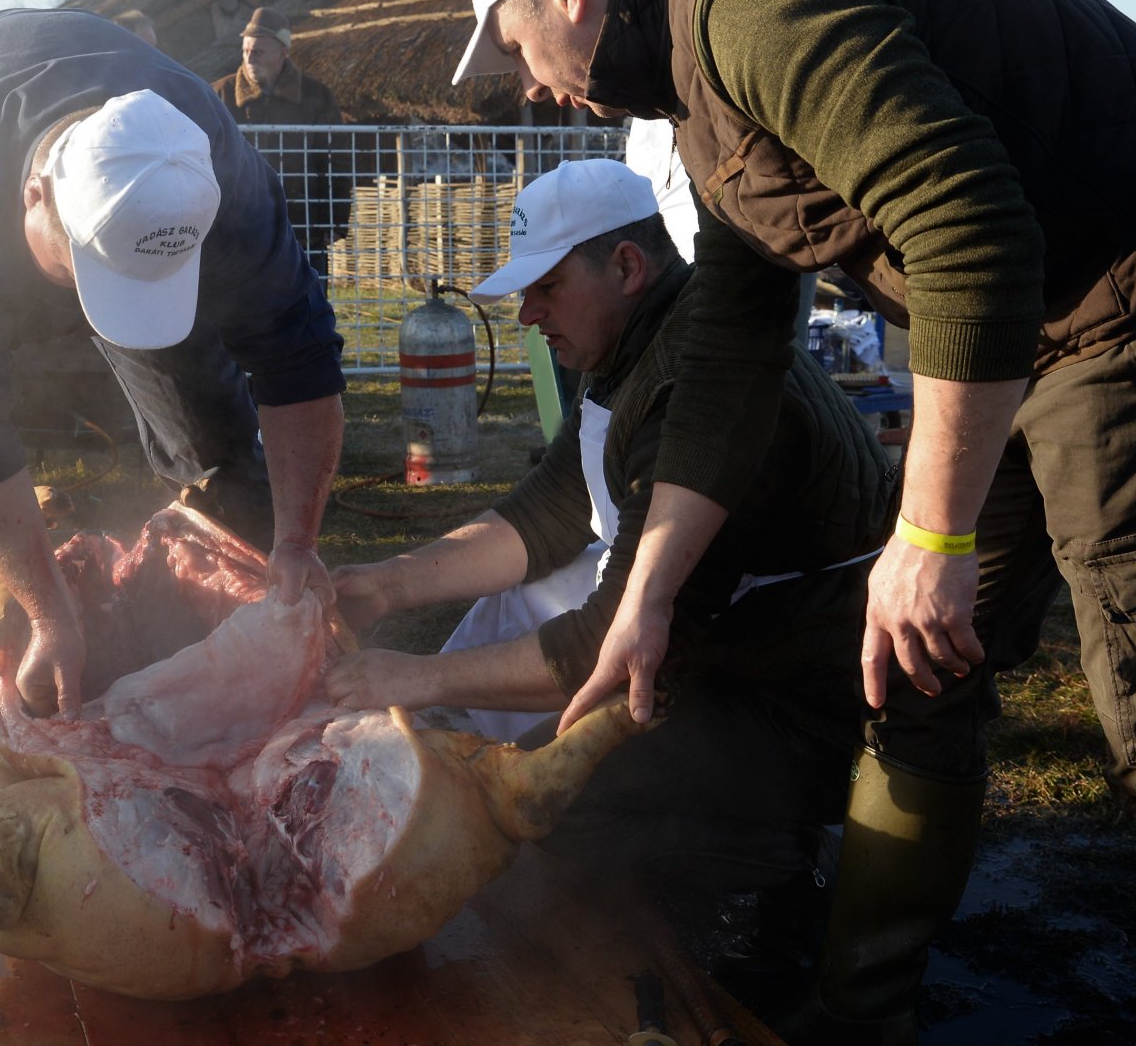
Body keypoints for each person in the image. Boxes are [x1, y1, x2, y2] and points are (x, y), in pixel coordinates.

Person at [452, 0, 1136, 1044]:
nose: (532, 86)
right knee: (918, 664)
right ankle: (860, 1009)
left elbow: (970, 226)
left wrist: (930, 533)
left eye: (517, 47)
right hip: (1025, 322)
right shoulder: (697, 93)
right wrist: (646, 599)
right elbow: (731, 345)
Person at [328, 159, 893, 978]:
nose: (529, 314)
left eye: (547, 288)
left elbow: (614, 642)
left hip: (791, 690)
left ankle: (773, 861)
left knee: (563, 812)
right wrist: (384, 584)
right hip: (708, 638)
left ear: (627, 267)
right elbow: (550, 511)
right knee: (507, 669)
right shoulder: (636, 339)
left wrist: (409, 678)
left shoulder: (705, 381)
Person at [0, 7, 345, 831]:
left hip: (95, 184)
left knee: (213, 418)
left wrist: (295, 543)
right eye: (93, 272)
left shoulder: (218, 176)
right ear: (37, 198)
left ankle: (193, 683)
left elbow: (300, 362)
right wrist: (45, 609)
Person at [210, 6, 350, 275]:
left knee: (308, 311)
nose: (249, 58)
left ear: (284, 52)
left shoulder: (317, 96)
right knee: (243, 314)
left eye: (259, 51)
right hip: (237, 231)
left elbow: (337, 159)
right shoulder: (220, 94)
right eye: (246, 50)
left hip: (303, 228)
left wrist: (334, 220)